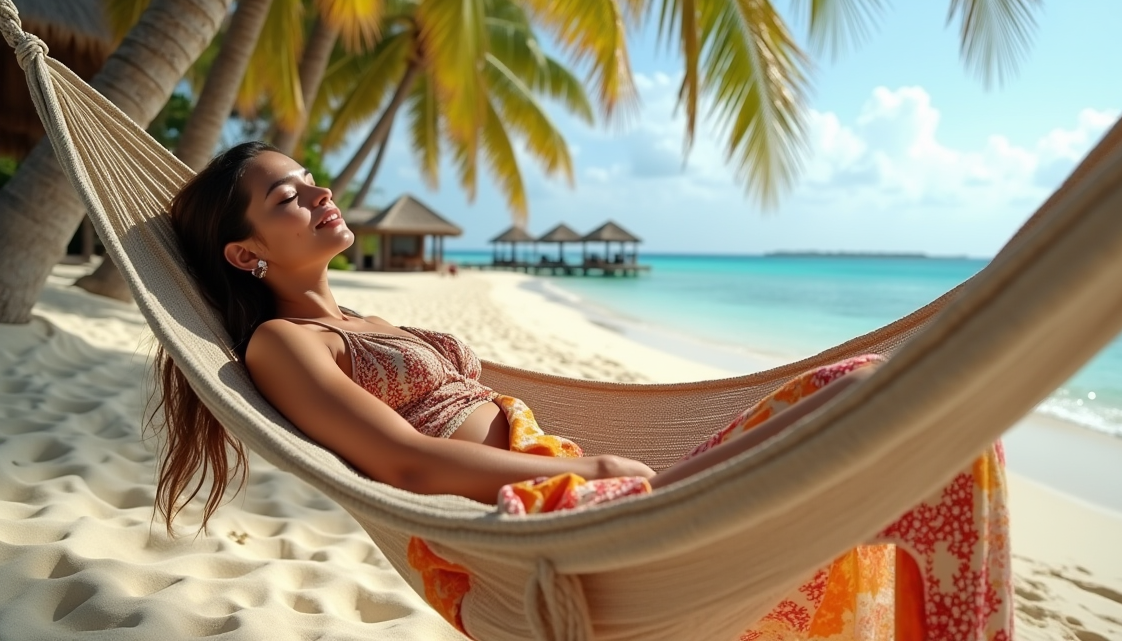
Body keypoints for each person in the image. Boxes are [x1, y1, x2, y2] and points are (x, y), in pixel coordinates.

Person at [153, 142, 874, 534]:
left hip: (571, 477)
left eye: (311, 179)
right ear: (247, 254)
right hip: (545, 516)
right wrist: (597, 473)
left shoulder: (366, 321)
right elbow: (404, 464)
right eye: (288, 197)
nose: (321, 194)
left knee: (864, 391)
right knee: (858, 393)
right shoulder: (283, 342)